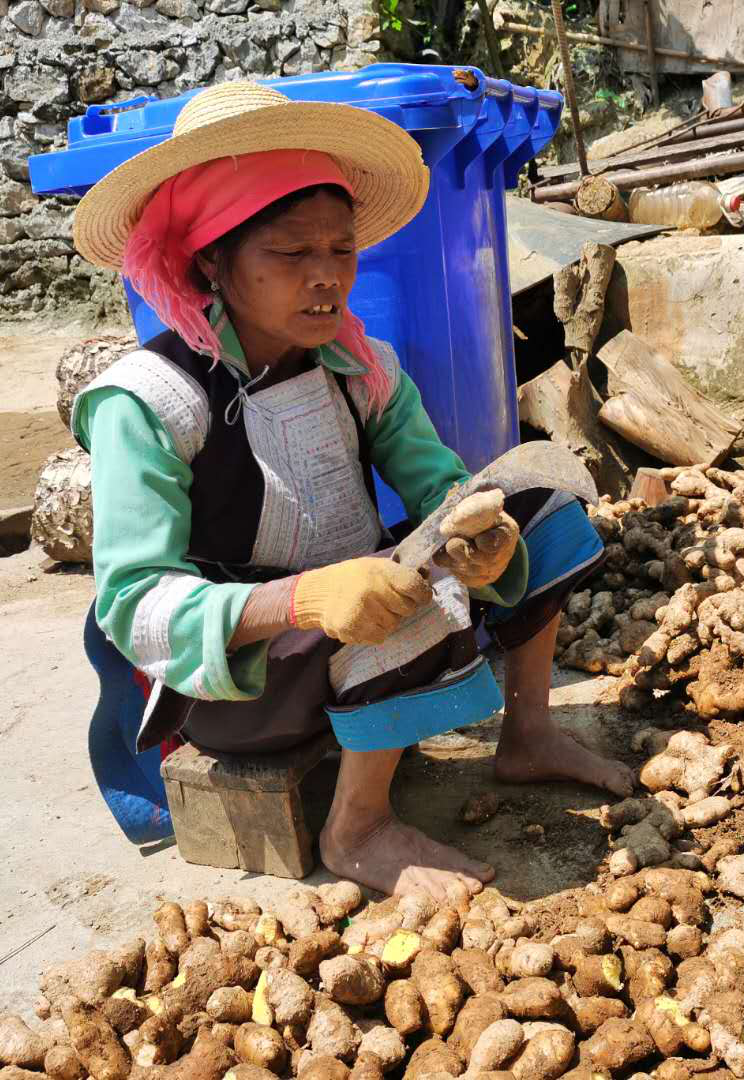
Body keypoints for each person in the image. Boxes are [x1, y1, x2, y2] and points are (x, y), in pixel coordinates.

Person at [68, 81, 633, 902]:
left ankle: (530, 732)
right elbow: (133, 605)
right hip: (240, 685)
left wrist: (478, 540)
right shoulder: (149, 401)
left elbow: (442, 490)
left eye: (341, 251)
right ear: (211, 262)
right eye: (292, 254)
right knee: (400, 601)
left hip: (348, 632)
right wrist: (301, 602)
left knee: (544, 517)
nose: (327, 278)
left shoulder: (360, 368)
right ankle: (356, 825)